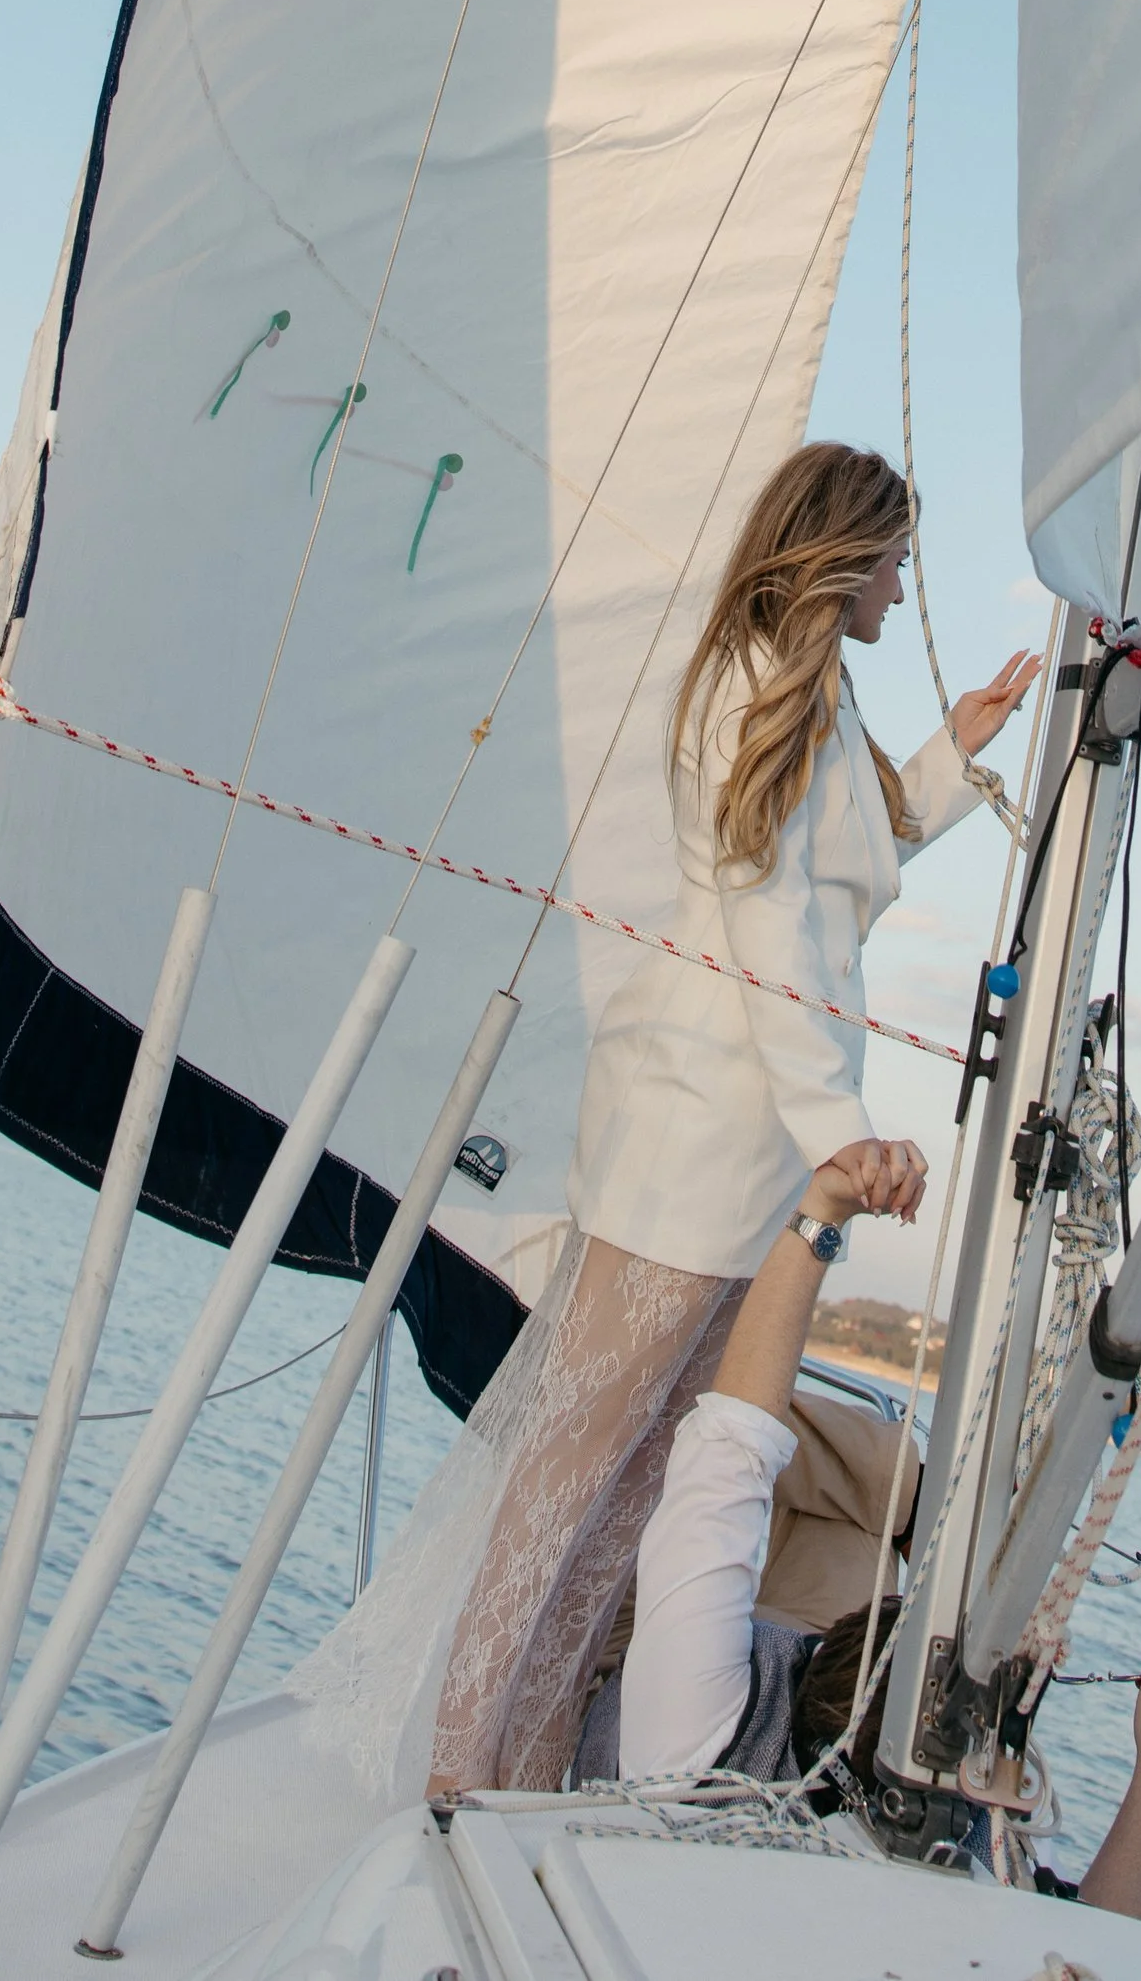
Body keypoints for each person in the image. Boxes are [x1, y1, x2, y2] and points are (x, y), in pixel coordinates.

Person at [414, 443, 1039, 1799]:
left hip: (742, 1147)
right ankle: (456, 1768)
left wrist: (953, 754)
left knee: (640, 1481)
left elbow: (838, 868)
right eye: (894, 557)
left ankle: (520, 1752)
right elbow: (769, 927)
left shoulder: (806, 688)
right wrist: (840, 1134)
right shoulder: (759, 682)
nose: (903, 579)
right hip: (700, 1133)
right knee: (573, 1466)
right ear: (841, 552)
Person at [593, 1134, 1141, 1917]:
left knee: (716, 1460)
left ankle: (875, 1490)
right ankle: (913, 1505)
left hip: (666, 1688)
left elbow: (729, 1454)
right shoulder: (984, 1837)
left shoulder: (689, 1743)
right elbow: (1098, 1942)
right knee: (883, 1485)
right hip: (807, 1686)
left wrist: (823, 1212)